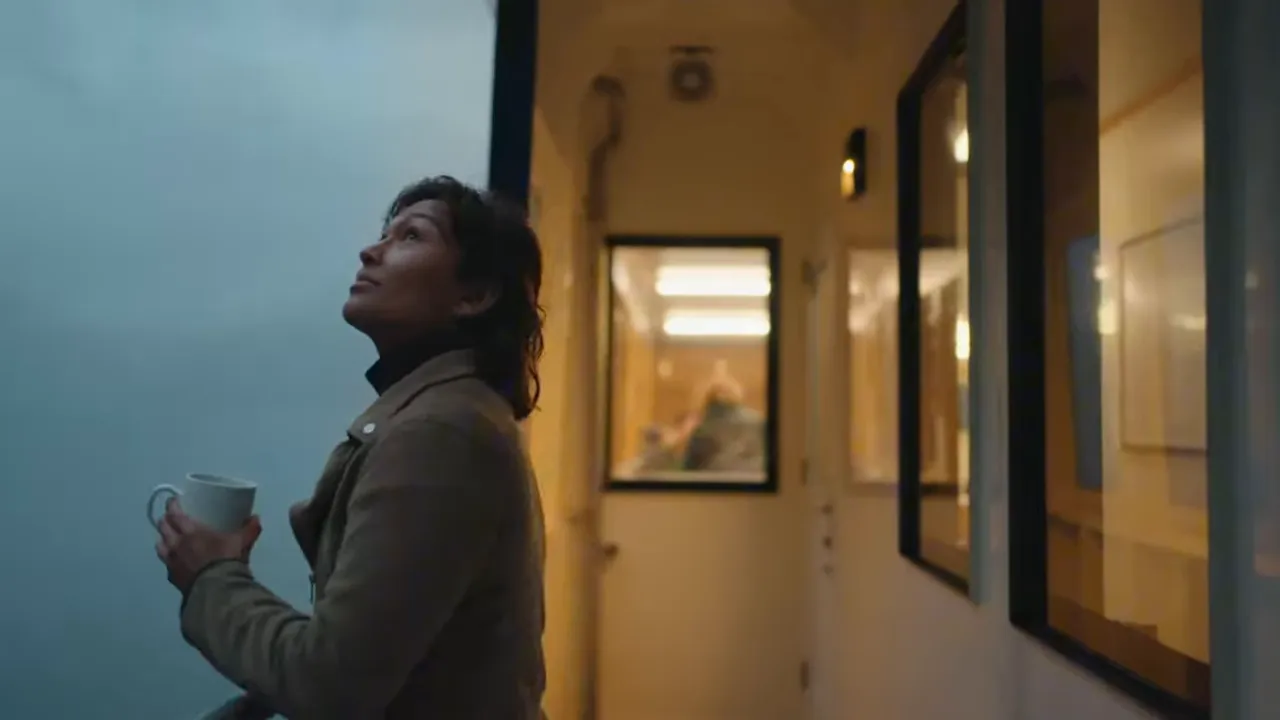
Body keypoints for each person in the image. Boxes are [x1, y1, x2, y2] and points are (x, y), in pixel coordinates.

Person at [154, 176, 547, 719]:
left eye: (411, 236)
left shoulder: (440, 434)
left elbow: (332, 686)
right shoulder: (447, 416)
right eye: (384, 234)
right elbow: (395, 654)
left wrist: (211, 578)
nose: (371, 251)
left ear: (474, 295)